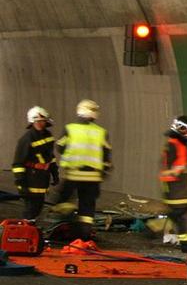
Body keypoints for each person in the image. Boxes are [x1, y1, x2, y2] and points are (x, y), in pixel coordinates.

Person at [54, 99, 112, 240]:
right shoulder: (101, 132)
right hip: (93, 177)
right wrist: (104, 171)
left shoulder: (70, 128)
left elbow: (60, 147)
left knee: (63, 200)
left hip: (74, 175)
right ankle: (84, 235)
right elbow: (106, 155)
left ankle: (69, 223)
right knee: (87, 206)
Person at [12, 106, 59, 220]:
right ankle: (25, 231)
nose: (41, 124)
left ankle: (30, 230)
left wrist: (54, 173)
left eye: (43, 121)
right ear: (32, 122)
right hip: (30, 179)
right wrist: (21, 182)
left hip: (42, 178)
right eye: (38, 121)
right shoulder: (27, 139)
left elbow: (50, 157)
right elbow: (18, 163)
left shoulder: (48, 136)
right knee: (30, 209)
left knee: (38, 207)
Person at [159, 115, 187, 253]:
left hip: (177, 187)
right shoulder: (177, 145)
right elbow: (175, 169)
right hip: (177, 188)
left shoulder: (174, 144)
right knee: (183, 217)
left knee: (182, 217)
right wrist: (177, 171)